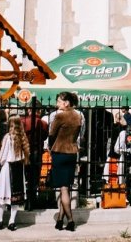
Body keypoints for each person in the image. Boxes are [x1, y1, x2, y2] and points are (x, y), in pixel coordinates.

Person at [47, 92, 81, 232]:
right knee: (66, 186)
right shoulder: (78, 116)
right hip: (72, 152)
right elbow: (79, 135)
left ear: (66, 102)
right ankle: (60, 220)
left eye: (59, 101)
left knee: (63, 188)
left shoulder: (59, 116)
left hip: (60, 152)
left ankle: (71, 221)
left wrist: (50, 146)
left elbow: (51, 134)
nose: (57, 104)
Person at [0, 115, 29, 230]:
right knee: (15, 197)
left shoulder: (8, 137)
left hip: (7, 167)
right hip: (18, 168)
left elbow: (2, 156)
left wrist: (0, 162)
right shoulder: (23, 137)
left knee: (3, 195)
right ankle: (11, 221)